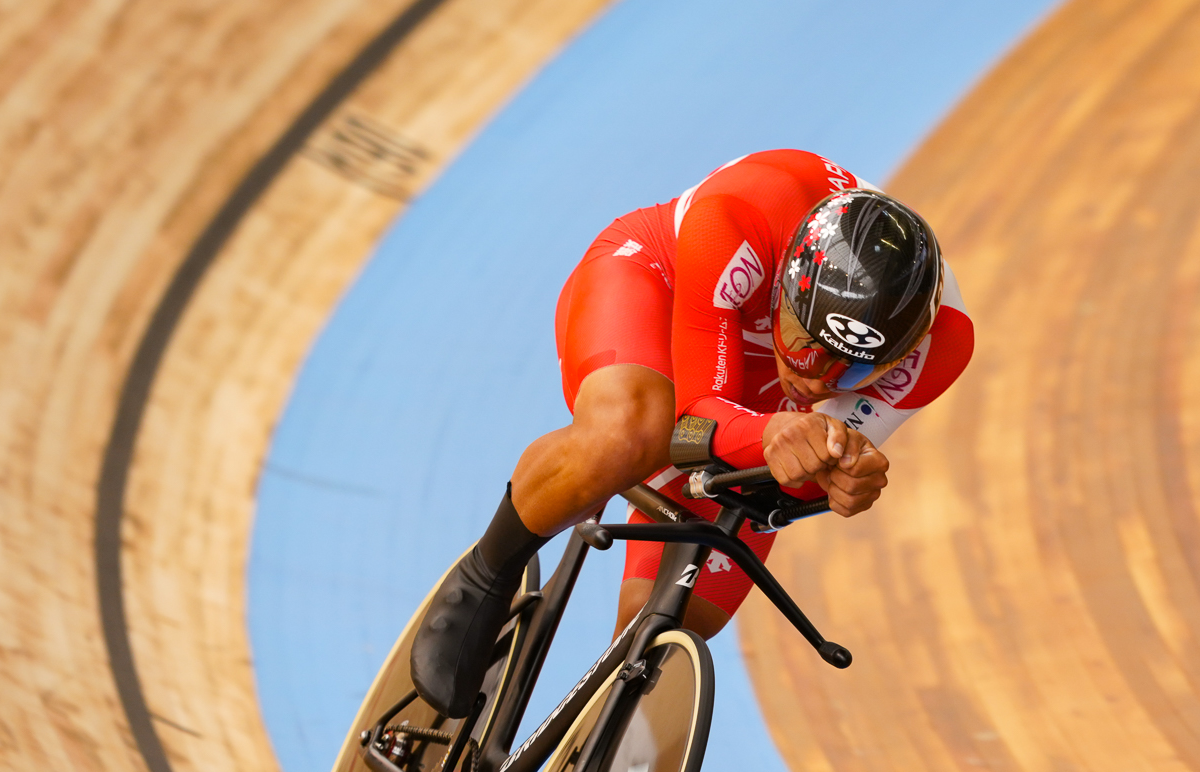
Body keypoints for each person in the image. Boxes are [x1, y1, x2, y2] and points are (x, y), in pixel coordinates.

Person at [410, 149, 975, 717]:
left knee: (664, 640)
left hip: (754, 390)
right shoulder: (743, 208)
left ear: (901, 354)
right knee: (632, 434)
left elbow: (797, 479)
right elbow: (695, 420)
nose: (813, 377)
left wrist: (843, 476)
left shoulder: (944, 345)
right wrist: (777, 432)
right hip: (664, 288)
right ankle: (484, 575)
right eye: (805, 341)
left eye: (850, 371)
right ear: (785, 284)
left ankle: (584, 767)